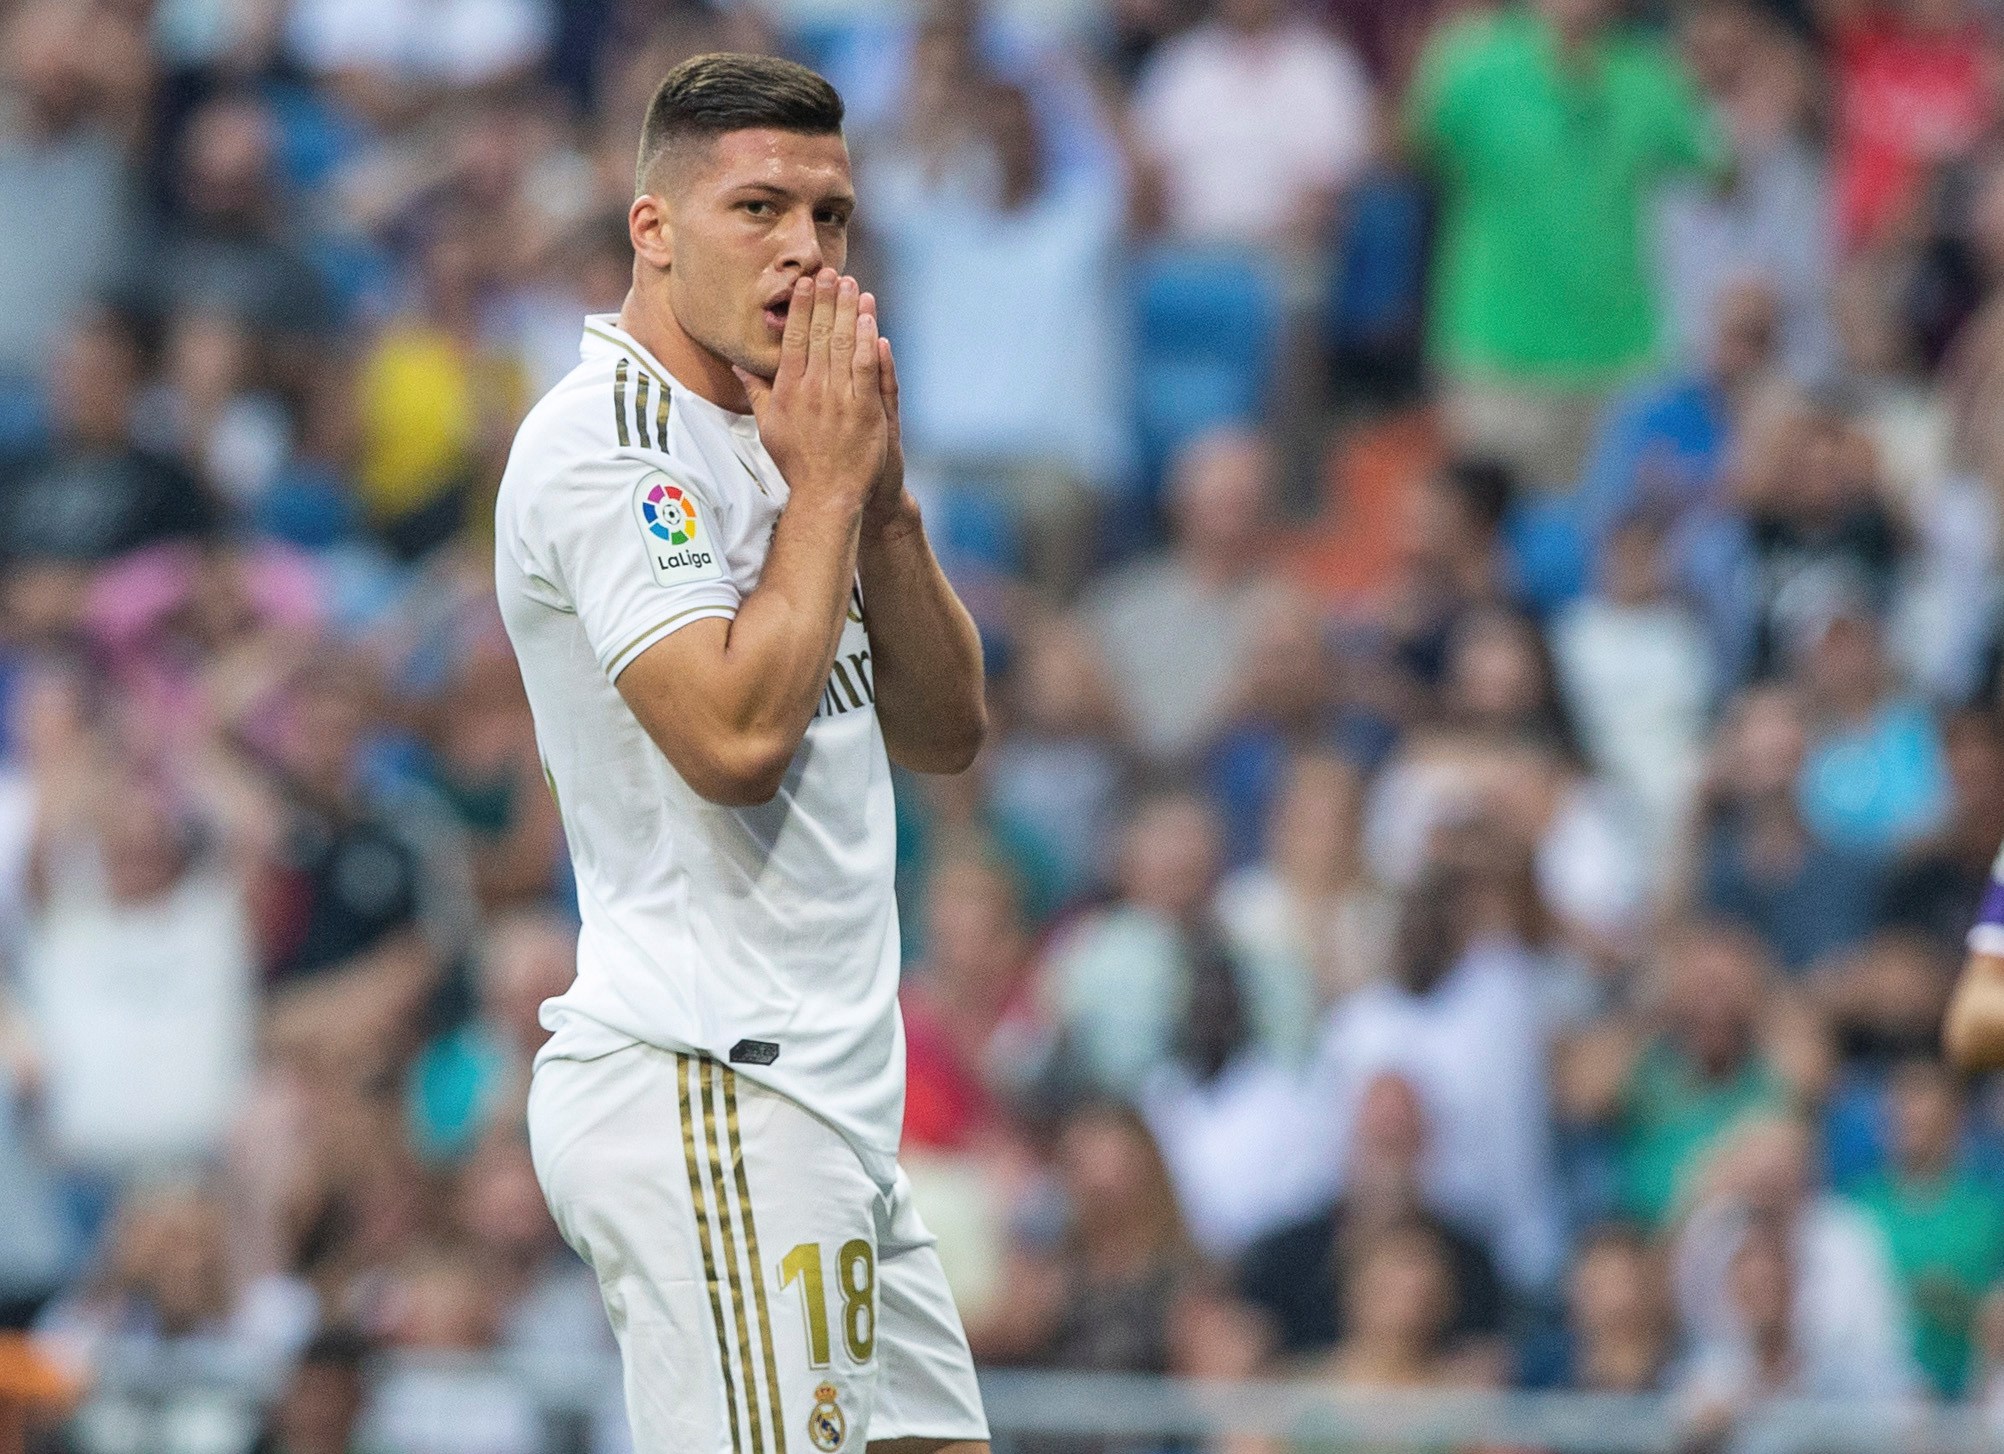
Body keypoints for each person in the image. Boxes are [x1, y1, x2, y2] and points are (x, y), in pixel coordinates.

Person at [492, 53, 989, 1454]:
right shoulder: (605, 446)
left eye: (831, 217)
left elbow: (946, 732)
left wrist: (881, 510)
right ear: (652, 231)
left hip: (826, 1113)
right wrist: (826, 489)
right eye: (758, 209)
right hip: (710, 1080)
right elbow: (736, 740)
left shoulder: (803, 425)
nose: (804, 251)